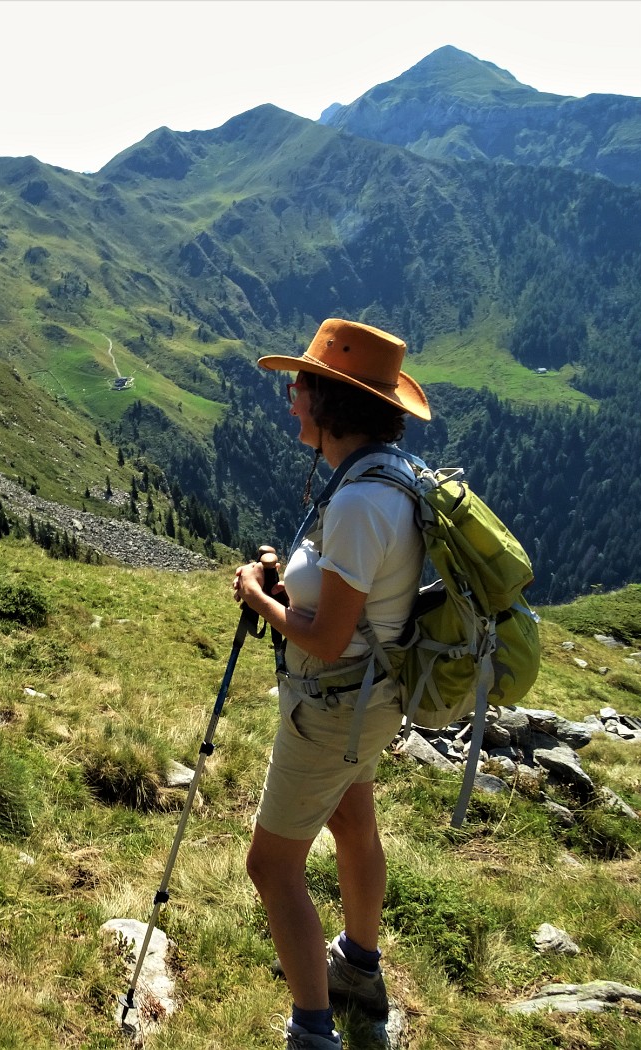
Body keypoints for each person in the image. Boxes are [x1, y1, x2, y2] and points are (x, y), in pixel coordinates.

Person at [232, 318, 432, 1050]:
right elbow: (353, 600)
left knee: (272, 864)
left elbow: (324, 636)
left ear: (329, 402)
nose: (290, 401)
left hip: (332, 708)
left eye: (299, 387)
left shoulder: (357, 502)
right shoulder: (390, 480)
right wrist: (289, 581)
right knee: (353, 822)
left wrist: (257, 595)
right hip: (370, 704)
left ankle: (314, 1031)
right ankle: (360, 967)